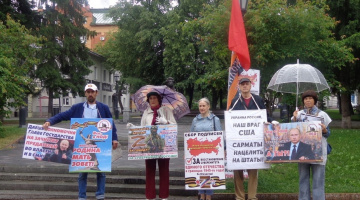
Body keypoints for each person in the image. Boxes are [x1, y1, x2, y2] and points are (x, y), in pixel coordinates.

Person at [43, 83, 118, 200]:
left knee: (101, 170)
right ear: (85, 94)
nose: (90, 94)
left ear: (96, 93)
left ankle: (100, 194)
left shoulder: (103, 108)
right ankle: (82, 196)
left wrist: (114, 138)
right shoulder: (77, 108)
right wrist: (50, 121)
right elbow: (62, 115)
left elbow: (111, 124)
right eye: (88, 92)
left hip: (101, 144)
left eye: (92, 92)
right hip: (81, 146)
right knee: (82, 171)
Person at [128, 91, 176, 200]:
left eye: (155, 98)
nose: (153, 100)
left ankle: (164, 196)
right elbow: (142, 128)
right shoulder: (146, 112)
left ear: (159, 99)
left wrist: (166, 122)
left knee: (164, 170)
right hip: (149, 145)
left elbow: (174, 126)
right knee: (150, 171)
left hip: (163, 145)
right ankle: (150, 196)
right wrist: (133, 128)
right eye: (150, 99)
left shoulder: (166, 110)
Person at [229, 77, 270, 200]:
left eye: (247, 84)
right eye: (242, 84)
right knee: (238, 170)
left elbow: (265, 116)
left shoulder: (257, 100)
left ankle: (252, 196)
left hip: (254, 142)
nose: (245, 86)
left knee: (253, 170)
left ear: (250, 86)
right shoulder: (235, 101)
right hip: (239, 142)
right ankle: (240, 196)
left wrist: (268, 123)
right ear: (239, 87)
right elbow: (230, 119)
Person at [292, 90, 332, 200]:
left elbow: (328, 134)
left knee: (318, 179)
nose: (308, 100)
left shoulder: (322, 115)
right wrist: (294, 119)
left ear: (314, 100)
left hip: (318, 152)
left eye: (310, 98)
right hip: (303, 152)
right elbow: (292, 130)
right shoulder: (299, 114)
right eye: (305, 98)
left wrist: (324, 130)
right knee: (303, 178)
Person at [190, 97, 222, 200]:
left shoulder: (215, 119)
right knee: (199, 174)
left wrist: (223, 150)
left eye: (204, 105)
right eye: (200, 106)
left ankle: (208, 196)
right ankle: (201, 195)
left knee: (209, 174)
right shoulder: (195, 120)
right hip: (198, 153)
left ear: (208, 106)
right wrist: (188, 153)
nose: (202, 108)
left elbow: (220, 136)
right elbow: (191, 137)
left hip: (211, 153)